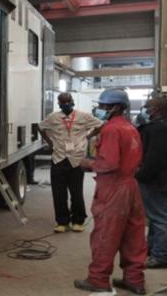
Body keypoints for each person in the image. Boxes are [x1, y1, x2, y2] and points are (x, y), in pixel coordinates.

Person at [74, 89, 147, 295]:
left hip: (113, 188)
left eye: (104, 106)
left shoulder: (112, 129)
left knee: (105, 234)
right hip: (131, 186)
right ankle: (135, 280)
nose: (101, 109)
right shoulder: (130, 128)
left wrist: (86, 162)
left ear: (115, 107)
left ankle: (98, 279)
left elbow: (109, 163)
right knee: (133, 235)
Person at [38, 92, 102, 233]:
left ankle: (78, 221)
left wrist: (88, 136)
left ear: (72, 102)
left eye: (68, 101)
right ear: (59, 103)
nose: (66, 104)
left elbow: (100, 125)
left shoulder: (83, 116)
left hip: (76, 159)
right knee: (59, 193)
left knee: (76, 192)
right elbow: (41, 127)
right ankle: (62, 221)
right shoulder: (53, 117)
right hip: (59, 158)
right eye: (63, 102)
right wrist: (49, 142)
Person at [136, 97, 167, 269]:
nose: (145, 110)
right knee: (156, 216)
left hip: (155, 180)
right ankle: (153, 249)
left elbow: (153, 158)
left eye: (147, 107)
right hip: (161, 179)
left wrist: (141, 175)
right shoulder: (164, 125)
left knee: (160, 217)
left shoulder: (157, 129)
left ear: (155, 109)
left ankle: (162, 255)